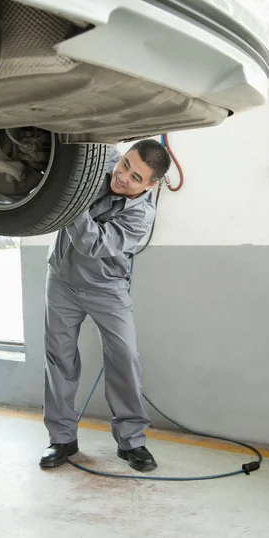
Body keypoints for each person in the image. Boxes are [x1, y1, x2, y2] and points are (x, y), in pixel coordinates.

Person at [40, 138, 171, 472]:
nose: (123, 176)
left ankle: (132, 442)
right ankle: (62, 439)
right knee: (59, 359)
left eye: (136, 177)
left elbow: (92, 243)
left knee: (124, 358)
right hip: (62, 279)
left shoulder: (141, 215)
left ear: (151, 185)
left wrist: (70, 199)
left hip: (106, 288)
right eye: (125, 163)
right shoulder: (100, 164)